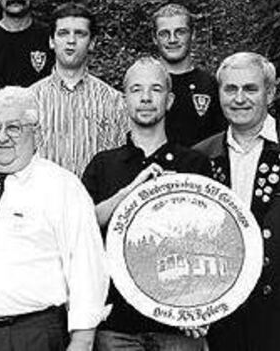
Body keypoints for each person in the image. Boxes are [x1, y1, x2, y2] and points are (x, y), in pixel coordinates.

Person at [0, 86, 108, 351]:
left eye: (14, 127)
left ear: (37, 134)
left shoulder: (62, 187)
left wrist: (82, 339)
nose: (2, 137)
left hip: (27, 336)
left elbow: (86, 265)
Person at [82, 57, 211, 350]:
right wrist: (132, 191)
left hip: (178, 326)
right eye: (136, 89)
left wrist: (203, 306)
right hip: (115, 326)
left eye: (155, 89)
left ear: (170, 100)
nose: (145, 98)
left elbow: (213, 241)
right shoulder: (103, 164)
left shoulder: (195, 164)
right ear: (124, 99)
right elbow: (83, 228)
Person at [194, 52, 280, 351]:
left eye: (250, 89)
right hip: (223, 315)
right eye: (230, 89)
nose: (239, 99)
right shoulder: (199, 157)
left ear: (270, 93)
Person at [30, 2, 127, 177]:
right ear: (51, 41)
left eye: (80, 34)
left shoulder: (115, 101)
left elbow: (120, 163)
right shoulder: (29, 99)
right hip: (42, 200)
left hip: (95, 201)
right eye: (63, 33)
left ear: (92, 43)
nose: (71, 41)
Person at [153, 4, 226, 146]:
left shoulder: (210, 85)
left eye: (180, 32)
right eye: (164, 33)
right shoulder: (143, 85)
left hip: (199, 167)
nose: (172, 39)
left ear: (193, 35)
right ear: (154, 38)